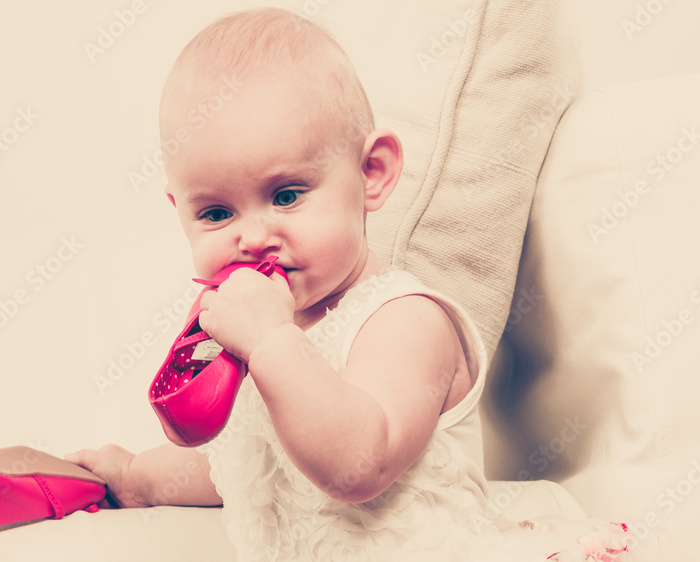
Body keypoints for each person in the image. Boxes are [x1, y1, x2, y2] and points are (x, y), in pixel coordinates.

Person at [66, 8, 630, 561]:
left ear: (371, 174)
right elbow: (249, 465)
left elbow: (359, 464)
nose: (253, 237)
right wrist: (138, 477)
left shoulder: (405, 320)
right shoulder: (265, 332)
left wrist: (268, 344)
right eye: (216, 214)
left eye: (286, 195)